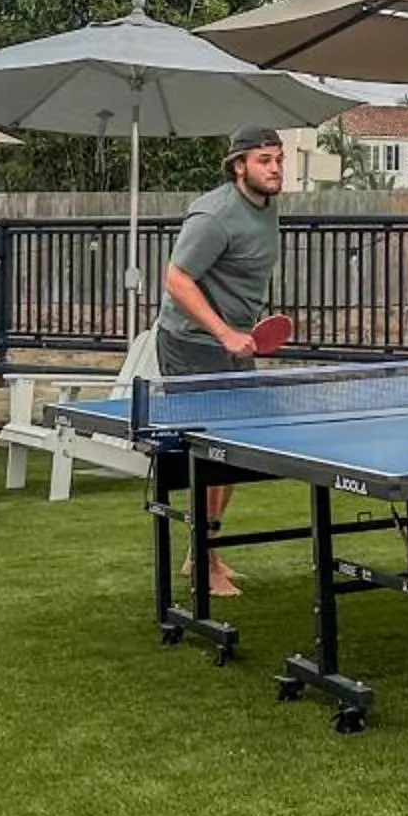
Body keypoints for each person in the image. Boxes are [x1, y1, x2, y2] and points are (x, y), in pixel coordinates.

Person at [157, 124, 289, 597]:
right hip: (190, 344)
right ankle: (205, 558)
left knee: (231, 453)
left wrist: (245, 331)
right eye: (263, 160)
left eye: (278, 158)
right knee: (210, 452)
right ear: (238, 167)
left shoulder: (268, 205)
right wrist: (224, 332)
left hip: (236, 344)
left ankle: (204, 551)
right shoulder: (213, 216)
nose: (274, 168)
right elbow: (176, 279)